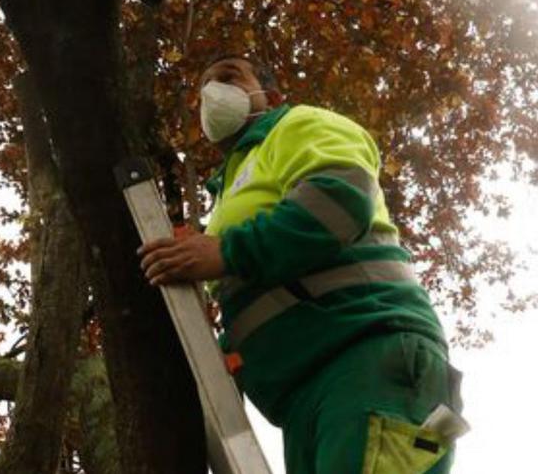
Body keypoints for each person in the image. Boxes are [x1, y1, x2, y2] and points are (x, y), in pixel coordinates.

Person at [138, 54, 468, 474]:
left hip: (365, 359)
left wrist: (225, 252)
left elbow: (340, 199)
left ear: (270, 96)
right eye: (203, 88)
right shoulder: (230, 189)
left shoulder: (296, 124)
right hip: (301, 400)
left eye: (228, 77)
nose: (212, 94)